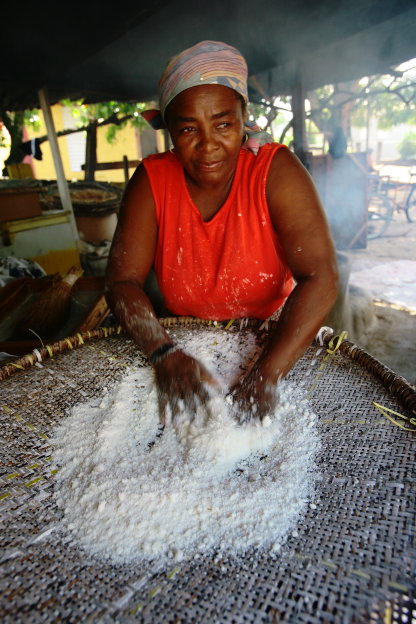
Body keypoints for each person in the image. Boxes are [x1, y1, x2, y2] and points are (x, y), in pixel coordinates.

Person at [106, 41, 338, 423]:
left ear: (244, 116)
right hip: (186, 344)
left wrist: (266, 376)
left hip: (275, 341)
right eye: (187, 129)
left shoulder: (274, 171)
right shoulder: (152, 181)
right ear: (169, 130)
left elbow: (321, 276)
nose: (208, 145)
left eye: (223, 124)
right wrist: (163, 352)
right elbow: (122, 281)